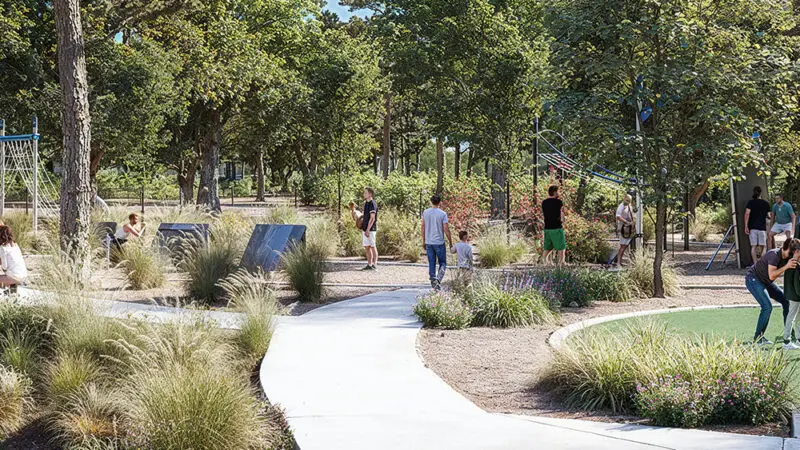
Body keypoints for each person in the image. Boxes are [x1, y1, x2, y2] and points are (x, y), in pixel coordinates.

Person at [746, 238, 799, 346]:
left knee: (786, 301)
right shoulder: (773, 255)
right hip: (754, 280)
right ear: (791, 250)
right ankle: (758, 338)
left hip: (766, 281)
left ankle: (788, 335)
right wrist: (786, 266)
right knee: (767, 307)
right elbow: (772, 275)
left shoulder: (788, 256)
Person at [422, 195, 453, 290]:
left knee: (431, 262)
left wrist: (424, 240)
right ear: (440, 202)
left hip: (429, 241)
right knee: (442, 263)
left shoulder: (426, 212)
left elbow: (423, 227)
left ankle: (433, 279)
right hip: (439, 242)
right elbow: (446, 229)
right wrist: (450, 242)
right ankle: (438, 279)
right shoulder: (442, 214)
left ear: (431, 202)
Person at [744, 186, 770, 264]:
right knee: (763, 246)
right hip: (762, 228)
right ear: (761, 193)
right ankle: (761, 263)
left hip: (753, 228)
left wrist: (746, 226)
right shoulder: (765, 203)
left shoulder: (750, 202)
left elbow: (747, 213)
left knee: (753, 246)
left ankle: (755, 264)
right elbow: (769, 216)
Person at [541, 185, 566, 265]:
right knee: (561, 247)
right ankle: (561, 263)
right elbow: (562, 213)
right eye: (558, 191)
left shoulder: (544, 202)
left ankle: (544, 262)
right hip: (556, 228)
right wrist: (563, 221)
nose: (559, 193)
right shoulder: (559, 202)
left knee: (548, 247)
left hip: (547, 228)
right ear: (555, 192)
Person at [782, 246, 800, 350]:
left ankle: (798, 338)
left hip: (793, 294)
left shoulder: (791, 262)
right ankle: (786, 341)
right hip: (795, 296)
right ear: (797, 251)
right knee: (792, 317)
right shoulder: (794, 264)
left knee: (797, 318)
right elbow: (796, 283)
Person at [615, 194, 635, 268]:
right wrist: (626, 222)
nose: (628, 202)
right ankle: (618, 263)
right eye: (627, 200)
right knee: (623, 245)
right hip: (623, 228)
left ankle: (623, 262)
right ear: (624, 198)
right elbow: (618, 216)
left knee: (626, 245)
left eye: (629, 201)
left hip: (629, 228)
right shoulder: (621, 206)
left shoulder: (629, 206)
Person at [361, 187, 378, 271]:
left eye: (366, 193)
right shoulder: (366, 203)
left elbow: (372, 218)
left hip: (371, 230)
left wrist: (368, 229)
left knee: (373, 246)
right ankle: (369, 264)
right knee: (367, 247)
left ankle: (374, 265)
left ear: (370, 194)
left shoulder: (372, 204)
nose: (364, 194)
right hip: (365, 229)